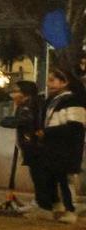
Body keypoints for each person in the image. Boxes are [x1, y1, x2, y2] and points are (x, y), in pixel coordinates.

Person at [28, 68, 83, 221]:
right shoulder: (51, 101)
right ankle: (54, 206)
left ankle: (71, 210)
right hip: (51, 147)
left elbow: (76, 126)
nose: (49, 84)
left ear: (65, 82)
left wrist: (47, 133)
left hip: (66, 148)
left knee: (66, 180)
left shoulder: (73, 100)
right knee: (50, 177)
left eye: (53, 80)